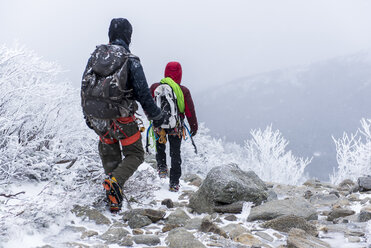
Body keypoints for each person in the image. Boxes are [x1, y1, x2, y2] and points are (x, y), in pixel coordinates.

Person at [81, 18, 164, 211]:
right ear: (129, 36)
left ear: (110, 34)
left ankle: (113, 200)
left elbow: (84, 88)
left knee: (111, 156)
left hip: (98, 119)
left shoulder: (94, 58)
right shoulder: (130, 60)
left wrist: (89, 118)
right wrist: (156, 116)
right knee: (135, 154)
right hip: (122, 119)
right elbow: (143, 94)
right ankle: (115, 184)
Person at [150, 62, 198, 192]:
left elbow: (147, 104)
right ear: (180, 74)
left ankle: (162, 170)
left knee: (160, 147)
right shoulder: (183, 90)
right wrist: (194, 127)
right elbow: (190, 111)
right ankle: (174, 183)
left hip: (158, 125)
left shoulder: (155, 87)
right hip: (176, 126)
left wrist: (152, 118)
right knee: (175, 153)